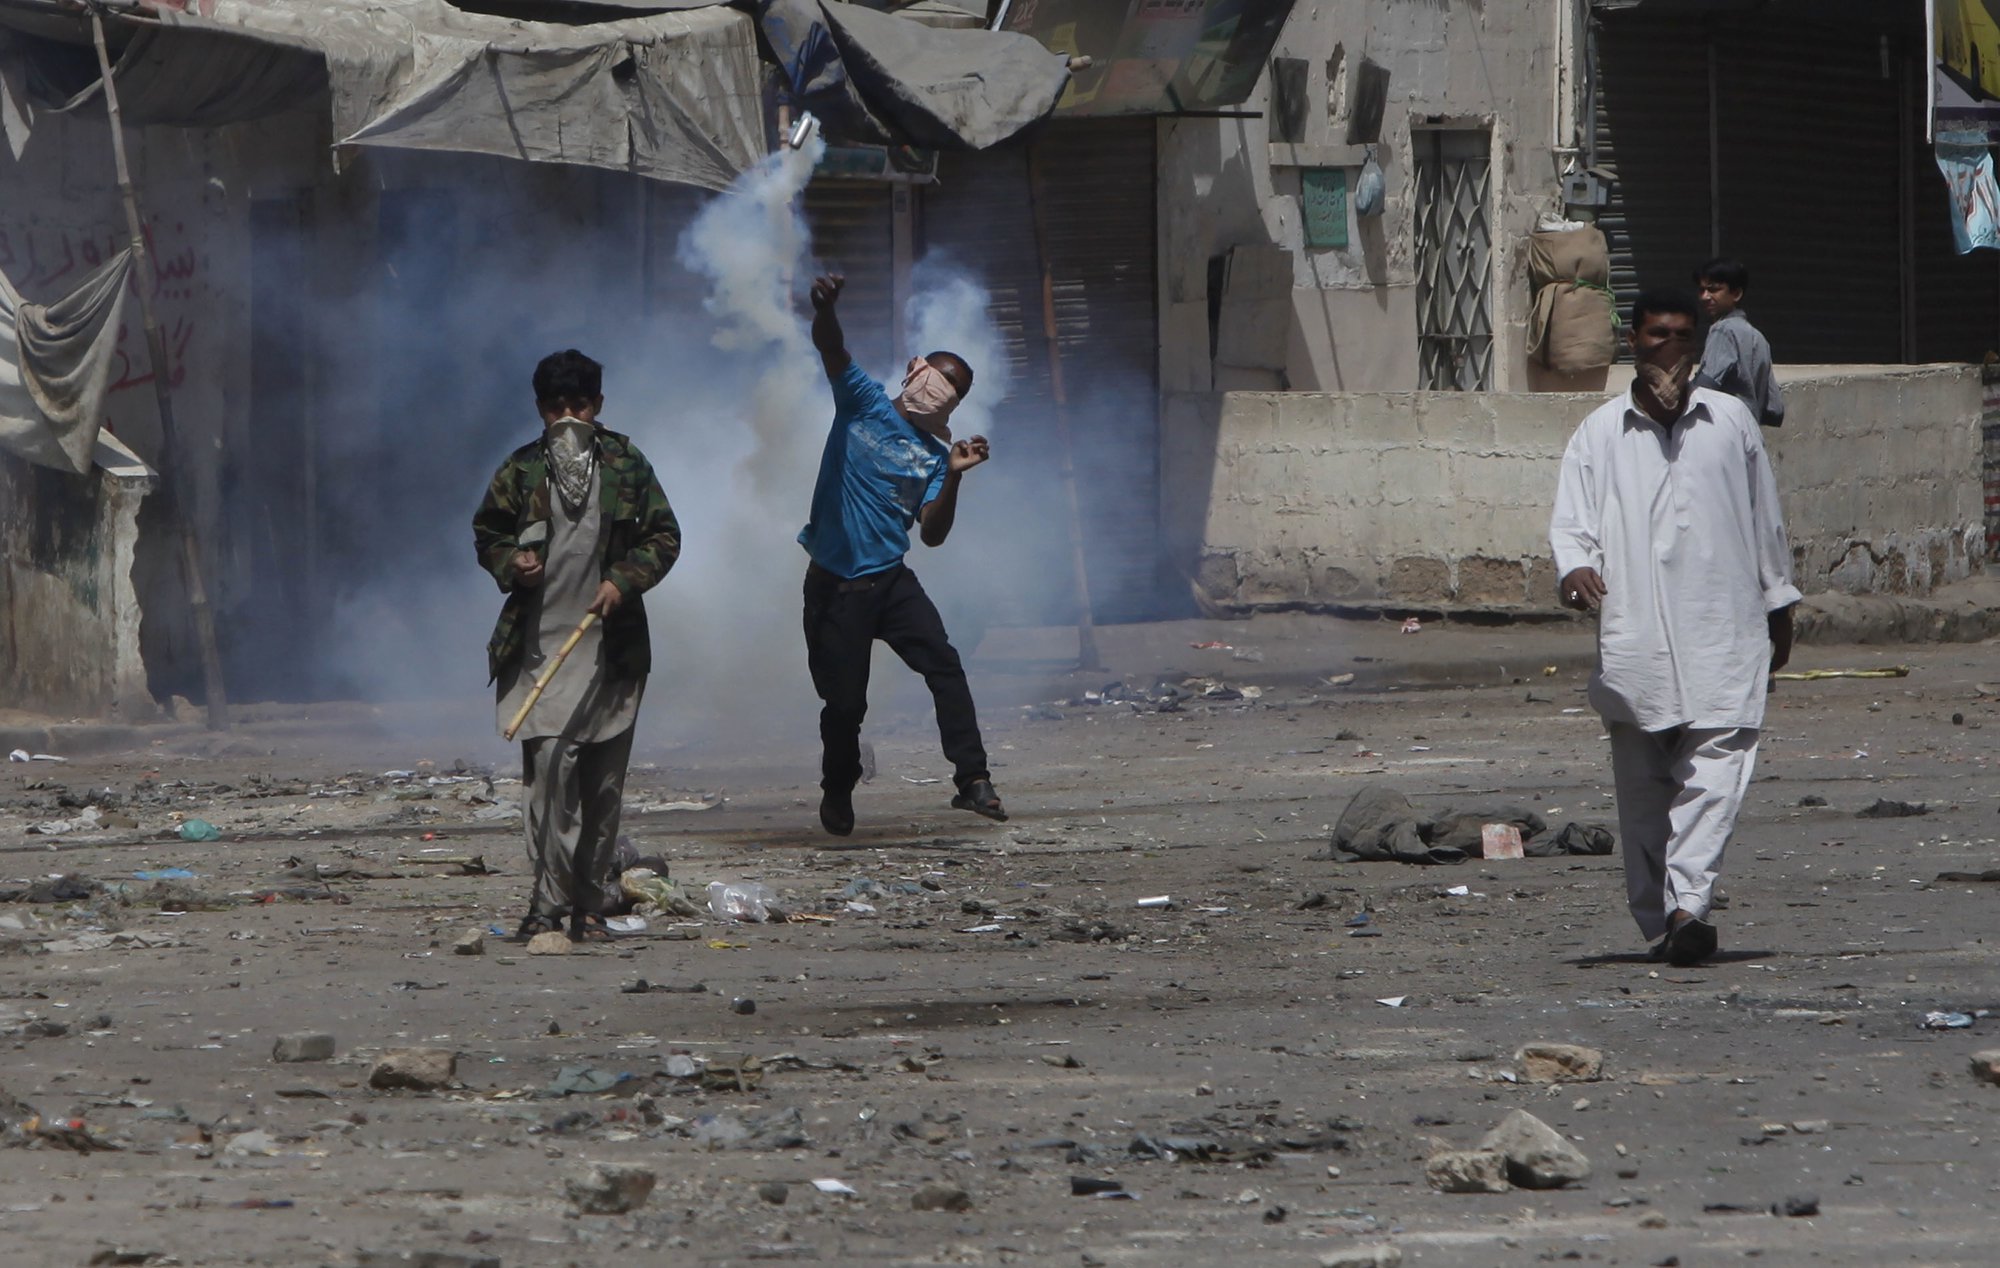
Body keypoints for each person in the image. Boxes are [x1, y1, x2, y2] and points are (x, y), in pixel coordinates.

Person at [1549, 288, 1800, 967]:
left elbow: (1764, 519)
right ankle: (1658, 918)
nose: (1671, 349)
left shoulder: (1731, 422)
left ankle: (1691, 905)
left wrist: (1780, 603)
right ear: (1634, 341)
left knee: (1717, 769)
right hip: (1636, 635)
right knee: (1642, 789)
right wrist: (1574, 570)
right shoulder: (1600, 432)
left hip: (1725, 627)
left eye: (1683, 336)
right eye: (1659, 335)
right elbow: (1570, 525)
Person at [473, 349, 681, 942]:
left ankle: (589, 908)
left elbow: (664, 536)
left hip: (610, 651)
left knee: (602, 788)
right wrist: (514, 561)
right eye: (556, 407)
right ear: (540, 409)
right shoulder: (519, 470)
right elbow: (487, 532)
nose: (569, 416)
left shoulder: (627, 464)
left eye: (579, 405)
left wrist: (623, 580)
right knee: (548, 781)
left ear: (598, 406)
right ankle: (546, 905)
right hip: (539, 652)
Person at [799, 273, 1006, 836]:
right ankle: (837, 789)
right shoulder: (862, 403)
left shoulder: (936, 456)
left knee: (944, 664)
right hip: (835, 585)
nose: (942, 390)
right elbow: (831, 347)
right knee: (844, 707)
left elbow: (932, 535)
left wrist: (957, 477)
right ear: (915, 371)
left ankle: (973, 779)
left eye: (954, 390)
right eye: (938, 378)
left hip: (890, 581)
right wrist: (826, 308)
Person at [1693, 257, 1784, 428]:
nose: (1705, 296)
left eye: (1713, 290)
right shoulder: (1757, 337)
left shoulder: (1723, 331)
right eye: (1701, 290)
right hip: (1751, 435)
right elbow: (1775, 410)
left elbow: (1704, 389)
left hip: (1724, 432)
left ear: (1736, 294)